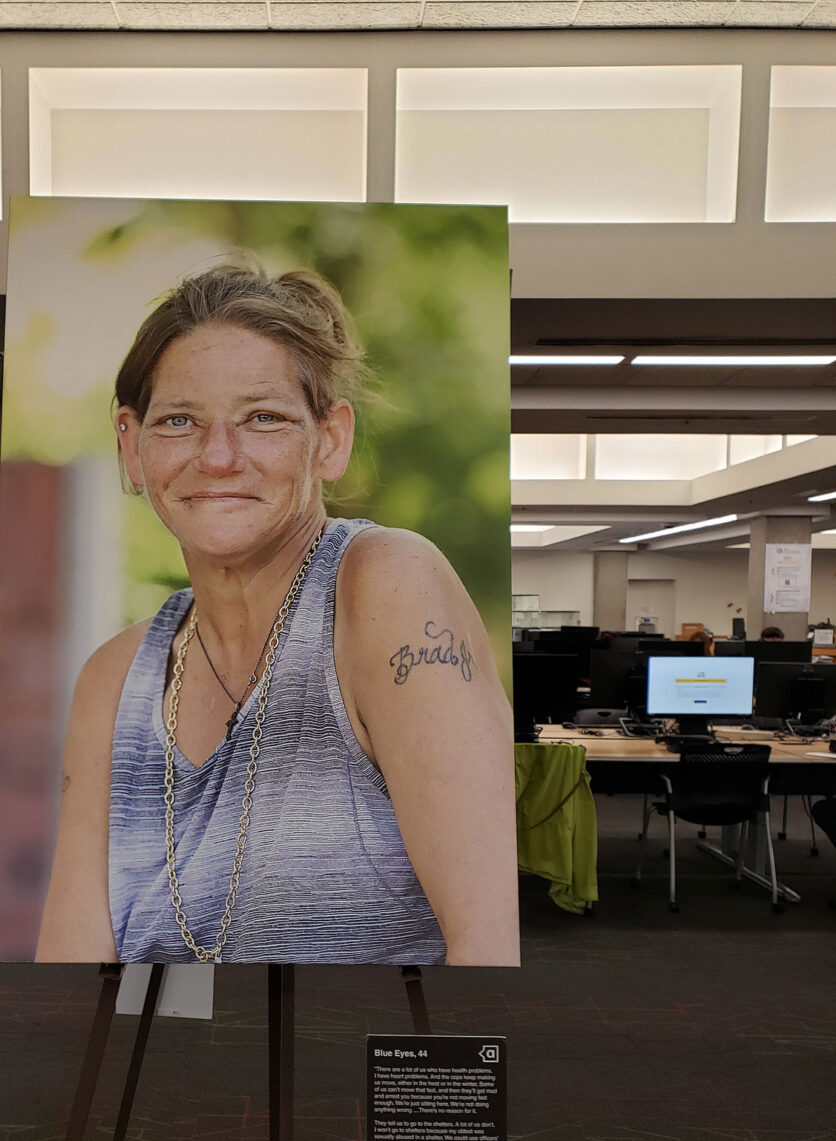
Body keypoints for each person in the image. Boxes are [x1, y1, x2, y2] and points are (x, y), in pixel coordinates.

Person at [36, 261, 519, 968]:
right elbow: (71, 971)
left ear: (330, 440)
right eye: (179, 421)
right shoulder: (114, 679)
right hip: (164, 1067)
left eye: (263, 418)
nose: (219, 456)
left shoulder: (386, 588)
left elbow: (490, 945)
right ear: (129, 446)